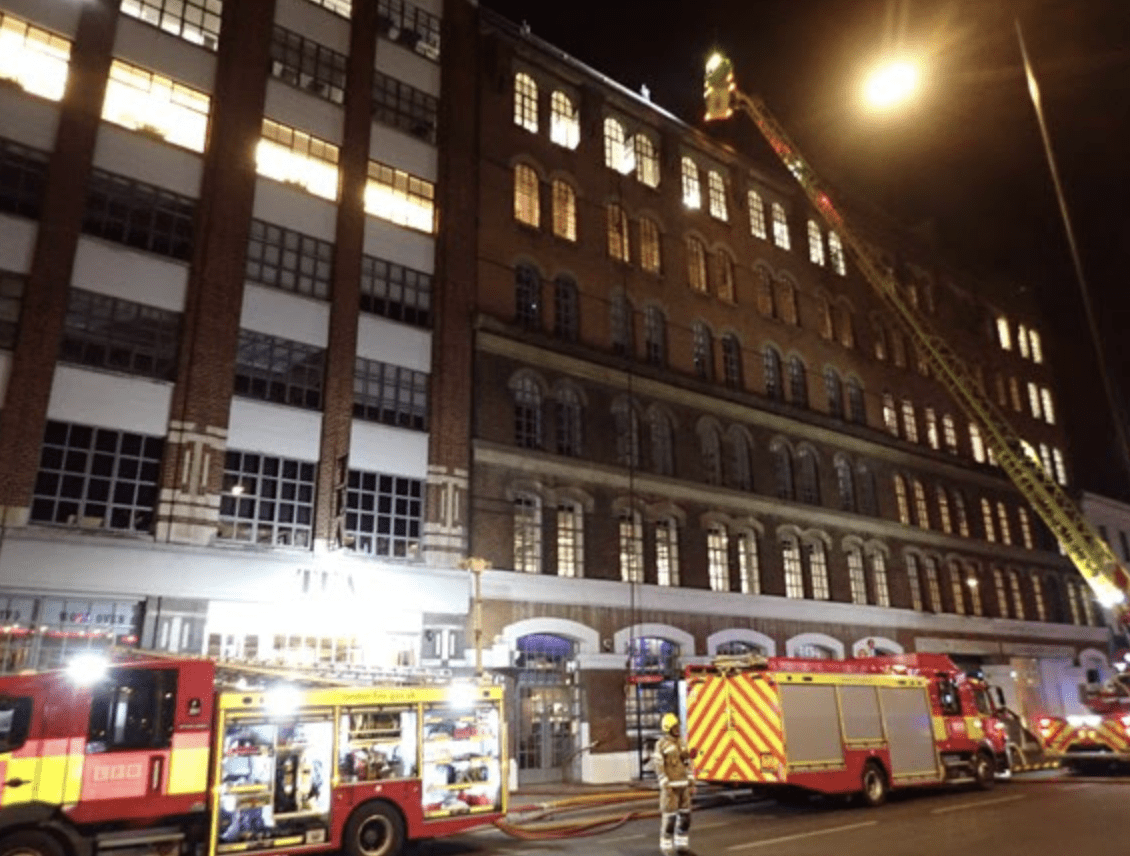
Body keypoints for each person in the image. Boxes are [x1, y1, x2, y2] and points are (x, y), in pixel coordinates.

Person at [652, 712, 693, 855]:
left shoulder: (681, 742)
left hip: (684, 786)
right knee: (670, 818)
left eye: (678, 727)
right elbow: (658, 765)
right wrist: (664, 783)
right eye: (675, 727)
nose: (678, 729)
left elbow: (687, 763)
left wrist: (691, 782)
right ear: (668, 728)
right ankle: (666, 847)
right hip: (671, 788)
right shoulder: (661, 745)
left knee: (685, 818)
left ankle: (682, 846)